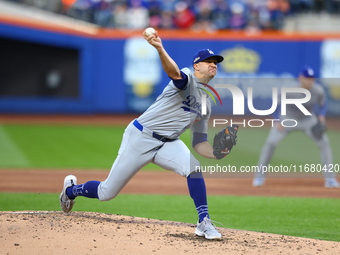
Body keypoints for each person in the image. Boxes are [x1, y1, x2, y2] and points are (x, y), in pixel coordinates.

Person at [60, 29, 232, 240]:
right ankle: (70, 191)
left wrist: (217, 152)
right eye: (208, 61)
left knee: (194, 168)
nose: (214, 64)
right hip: (141, 137)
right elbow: (174, 74)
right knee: (107, 193)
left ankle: (203, 222)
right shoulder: (186, 77)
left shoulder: (206, 104)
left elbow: (200, 142)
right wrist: (159, 48)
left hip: (169, 143)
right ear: (197, 66)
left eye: (216, 62)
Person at [252, 66, 339, 188]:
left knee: (324, 142)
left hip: (308, 119)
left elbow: (323, 104)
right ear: (300, 78)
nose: (309, 81)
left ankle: (330, 179)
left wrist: (321, 116)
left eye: (311, 78)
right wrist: (277, 121)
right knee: (270, 143)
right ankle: (259, 177)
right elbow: (274, 104)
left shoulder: (318, 90)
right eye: (307, 78)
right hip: (287, 118)